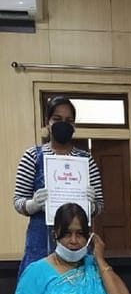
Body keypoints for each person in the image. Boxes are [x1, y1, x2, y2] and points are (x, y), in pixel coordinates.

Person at [13, 95, 104, 276]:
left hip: (76, 241)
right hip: (41, 241)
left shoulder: (86, 160)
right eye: (57, 119)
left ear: (74, 126)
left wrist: (92, 206)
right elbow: (18, 201)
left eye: (69, 120)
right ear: (47, 123)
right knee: (38, 286)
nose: (63, 124)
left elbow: (100, 205)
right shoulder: (32, 156)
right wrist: (32, 205)